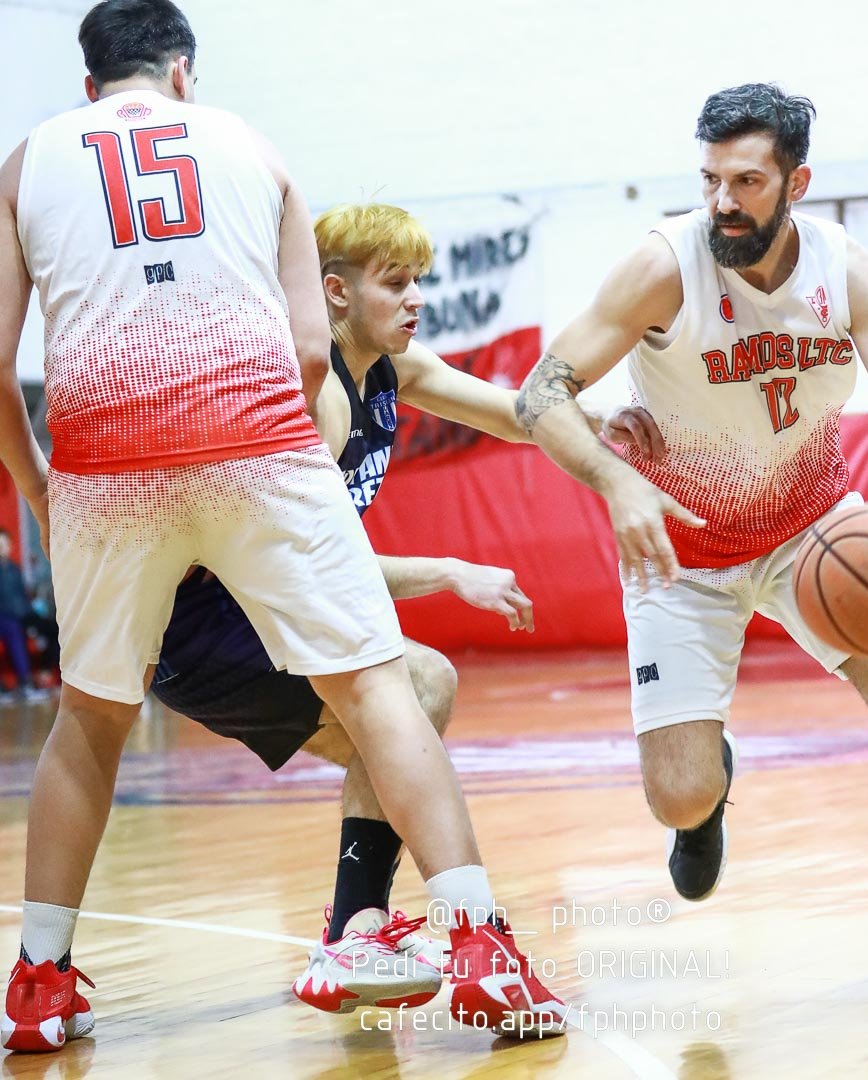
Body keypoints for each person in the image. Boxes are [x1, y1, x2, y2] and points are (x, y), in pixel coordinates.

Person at [0, 0, 562, 1053]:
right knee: (381, 686)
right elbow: (310, 348)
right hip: (255, 439)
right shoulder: (252, 146)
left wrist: (43, 490)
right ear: (184, 74)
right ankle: (482, 944)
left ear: (89, 87)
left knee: (89, 724)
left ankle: (38, 983)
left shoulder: (28, 160)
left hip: (104, 467)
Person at [515, 83, 868, 974]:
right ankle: (708, 792)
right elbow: (540, 393)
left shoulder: (851, 273)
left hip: (816, 531)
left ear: (798, 182)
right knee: (677, 797)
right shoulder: (662, 266)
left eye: (746, 181)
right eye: (710, 177)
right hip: (678, 546)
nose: (722, 201)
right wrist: (613, 484)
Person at [151, 202, 569, 1013]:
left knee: (415, 701)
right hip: (212, 624)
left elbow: (519, 417)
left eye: (420, 282)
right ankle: (394, 930)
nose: (416, 299)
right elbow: (312, 565)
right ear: (334, 293)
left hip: (268, 616)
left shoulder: (390, 370)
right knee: (416, 684)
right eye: (396, 283)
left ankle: (355, 934)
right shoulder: (318, 396)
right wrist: (451, 570)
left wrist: (618, 425)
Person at [0, 528, 50, 702]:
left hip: (17, 618)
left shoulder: (15, 570)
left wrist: (31, 622)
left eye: (4, 544)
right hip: (3, 618)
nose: (2, 548)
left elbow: (23, 598)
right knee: (11, 628)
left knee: (19, 632)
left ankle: (25, 683)